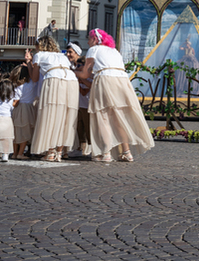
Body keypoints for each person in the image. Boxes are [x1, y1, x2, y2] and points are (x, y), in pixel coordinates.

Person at [77, 29, 154, 163]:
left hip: (106, 79)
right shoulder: (115, 51)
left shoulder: (94, 50)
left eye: (89, 38)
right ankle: (126, 152)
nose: (88, 41)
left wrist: (69, 70)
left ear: (95, 39)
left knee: (103, 116)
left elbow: (85, 74)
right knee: (119, 117)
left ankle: (106, 152)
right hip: (122, 80)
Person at [27, 36, 79, 162]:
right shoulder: (62, 56)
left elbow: (34, 78)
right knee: (65, 116)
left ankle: (50, 151)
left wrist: (29, 63)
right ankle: (59, 152)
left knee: (51, 114)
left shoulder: (39, 55)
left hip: (53, 80)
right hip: (71, 80)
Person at [67, 43, 91, 158]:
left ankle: (91, 148)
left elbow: (85, 90)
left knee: (88, 127)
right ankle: (80, 148)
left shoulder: (87, 75)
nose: (78, 67)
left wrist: (79, 80)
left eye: (80, 65)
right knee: (79, 127)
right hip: (77, 104)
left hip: (86, 104)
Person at [10, 65, 37, 160]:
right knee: (25, 131)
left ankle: (15, 153)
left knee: (17, 131)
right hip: (28, 108)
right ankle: (21, 153)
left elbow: (16, 101)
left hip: (18, 108)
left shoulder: (17, 85)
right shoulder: (32, 84)